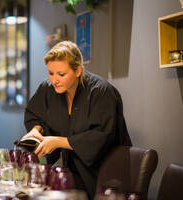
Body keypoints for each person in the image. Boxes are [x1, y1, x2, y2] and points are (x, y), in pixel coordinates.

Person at [22, 41, 132, 199]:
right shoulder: (48, 89)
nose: (54, 80)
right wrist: (35, 132)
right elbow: (35, 114)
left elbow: (101, 136)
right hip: (72, 172)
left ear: (78, 70)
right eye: (51, 73)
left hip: (105, 172)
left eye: (61, 74)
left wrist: (58, 141)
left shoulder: (102, 92)